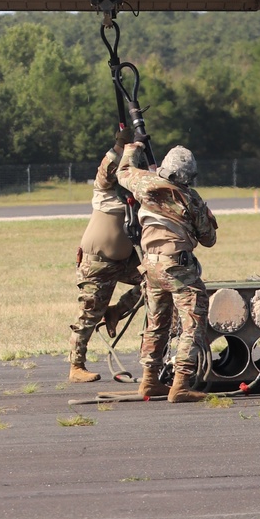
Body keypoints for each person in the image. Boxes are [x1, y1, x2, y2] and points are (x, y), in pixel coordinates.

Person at [117, 140, 217, 403]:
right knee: (193, 321)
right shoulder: (190, 199)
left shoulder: (145, 184)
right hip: (177, 266)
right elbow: (208, 239)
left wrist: (132, 148)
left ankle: (149, 380)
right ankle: (181, 385)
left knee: (156, 322)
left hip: (150, 266)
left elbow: (123, 171)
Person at [68, 126, 144, 385]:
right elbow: (109, 164)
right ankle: (76, 366)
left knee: (155, 282)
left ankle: (116, 311)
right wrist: (124, 145)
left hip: (124, 260)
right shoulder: (103, 187)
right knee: (89, 313)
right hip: (97, 262)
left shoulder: (134, 193)